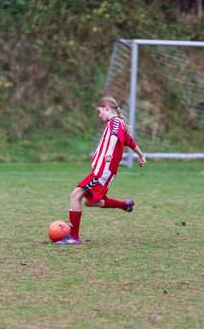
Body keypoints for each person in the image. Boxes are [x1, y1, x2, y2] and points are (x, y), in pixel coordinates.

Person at [55, 96, 146, 245]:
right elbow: (129, 141)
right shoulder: (118, 123)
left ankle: (73, 237)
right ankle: (125, 204)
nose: (99, 115)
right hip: (104, 171)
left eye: (99, 111)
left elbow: (114, 137)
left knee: (75, 196)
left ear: (106, 107)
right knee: (89, 202)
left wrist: (109, 152)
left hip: (103, 171)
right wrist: (141, 155)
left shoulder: (115, 122)